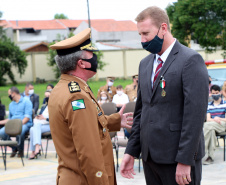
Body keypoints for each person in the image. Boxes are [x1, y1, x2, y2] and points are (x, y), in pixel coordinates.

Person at [120, 6, 209, 185]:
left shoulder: (190, 60)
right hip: (151, 157)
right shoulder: (145, 64)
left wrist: (185, 160)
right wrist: (131, 151)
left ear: (163, 28)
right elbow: (141, 112)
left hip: (177, 159)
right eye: (140, 35)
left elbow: (195, 115)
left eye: (146, 33)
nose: (143, 40)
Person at [48, 28, 133, 185]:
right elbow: (89, 152)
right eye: (91, 55)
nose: (95, 58)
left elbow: (82, 126)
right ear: (81, 63)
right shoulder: (77, 95)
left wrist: (114, 121)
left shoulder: (63, 88)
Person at [0, 87, 33, 157]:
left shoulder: (26, 101)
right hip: (13, 124)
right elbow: (9, 119)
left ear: (13, 93)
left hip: (25, 124)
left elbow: (27, 118)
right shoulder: (11, 104)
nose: (9, 96)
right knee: (1, 132)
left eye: (9, 94)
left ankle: (20, 151)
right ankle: (14, 148)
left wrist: (18, 126)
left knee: (20, 131)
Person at [203, 85, 226, 165]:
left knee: (206, 125)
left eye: (217, 93)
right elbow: (208, 119)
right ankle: (210, 158)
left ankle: (202, 151)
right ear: (211, 93)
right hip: (212, 125)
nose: (215, 95)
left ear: (220, 92)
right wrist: (215, 119)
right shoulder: (209, 105)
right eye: (213, 93)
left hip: (222, 124)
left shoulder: (225, 103)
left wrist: (218, 118)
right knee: (210, 130)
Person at [29, 90, 51, 160]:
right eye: (46, 97)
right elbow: (40, 115)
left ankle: (35, 150)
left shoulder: (56, 106)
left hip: (51, 126)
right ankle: (35, 149)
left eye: (48, 96)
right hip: (42, 125)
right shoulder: (44, 106)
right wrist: (38, 117)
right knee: (32, 129)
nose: (46, 98)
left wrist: (44, 118)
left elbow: (56, 120)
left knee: (36, 126)